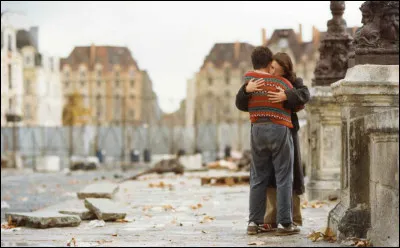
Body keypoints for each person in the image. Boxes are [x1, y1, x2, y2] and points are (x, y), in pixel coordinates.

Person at [235, 51, 310, 234]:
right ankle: (284, 223)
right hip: (280, 129)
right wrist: (246, 91)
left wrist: (287, 96)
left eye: (278, 68)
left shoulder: (253, 81)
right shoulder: (279, 83)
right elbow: (301, 105)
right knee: (284, 177)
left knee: (259, 177)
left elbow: (304, 95)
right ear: (269, 64)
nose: (273, 71)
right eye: (273, 67)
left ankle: (254, 223)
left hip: (262, 128)